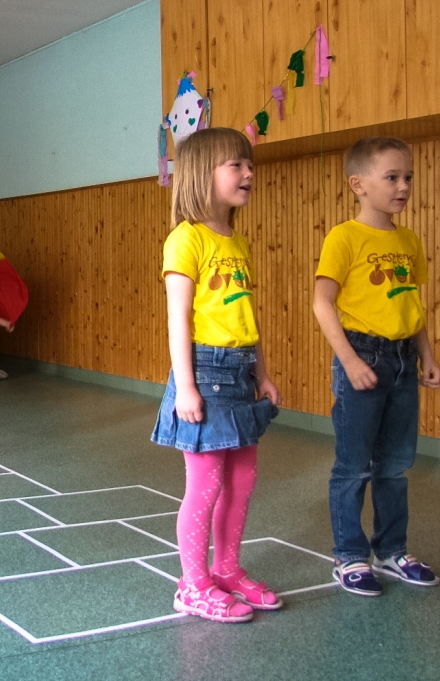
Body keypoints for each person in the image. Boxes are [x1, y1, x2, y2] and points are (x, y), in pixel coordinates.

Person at [151, 127, 282, 624]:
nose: (248, 173)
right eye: (236, 165)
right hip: (205, 372)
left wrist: (262, 372)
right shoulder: (185, 239)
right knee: (205, 485)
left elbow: (245, 314)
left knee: (242, 479)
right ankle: (193, 584)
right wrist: (186, 386)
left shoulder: (236, 241)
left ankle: (226, 570)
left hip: (240, 370)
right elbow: (178, 320)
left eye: (249, 165)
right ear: (202, 175)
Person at [313, 136, 440, 596]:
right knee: (354, 466)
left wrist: (427, 355)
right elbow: (322, 303)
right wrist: (349, 361)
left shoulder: (408, 240)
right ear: (359, 184)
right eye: (392, 177)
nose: (403, 186)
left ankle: (391, 550)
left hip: (403, 359)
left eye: (408, 177)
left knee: (395, 464)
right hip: (362, 355)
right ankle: (349, 556)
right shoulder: (344, 237)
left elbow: (412, 304)